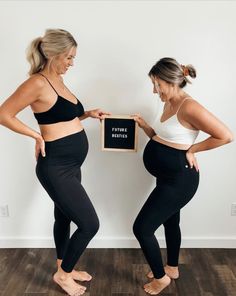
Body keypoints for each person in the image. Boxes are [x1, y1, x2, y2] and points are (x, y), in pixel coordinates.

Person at [0, 29, 109, 296]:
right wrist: (35, 135)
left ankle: (65, 266)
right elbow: (4, 114)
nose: (72, 63)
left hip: (71, 165)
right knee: (89, 224)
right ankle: (63, 276)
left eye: (73, 58)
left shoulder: (58, 80)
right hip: (55, 166)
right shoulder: (36, 83)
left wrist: (86, 114)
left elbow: (61, 116)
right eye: (68, 57)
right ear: (51, 54)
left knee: (63, 217)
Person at [132, 57, 233, 295]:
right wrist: (145, 126)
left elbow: (226, 135)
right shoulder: (168, 103)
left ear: (169, 81)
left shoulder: (189, 106)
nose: (153, 90)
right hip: (166, 176)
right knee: (171, 221)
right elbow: (166, 136)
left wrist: (193, 149)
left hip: (180, 179)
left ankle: (161, 279)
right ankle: (172, 268)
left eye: (157, 84)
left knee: (142, 228)